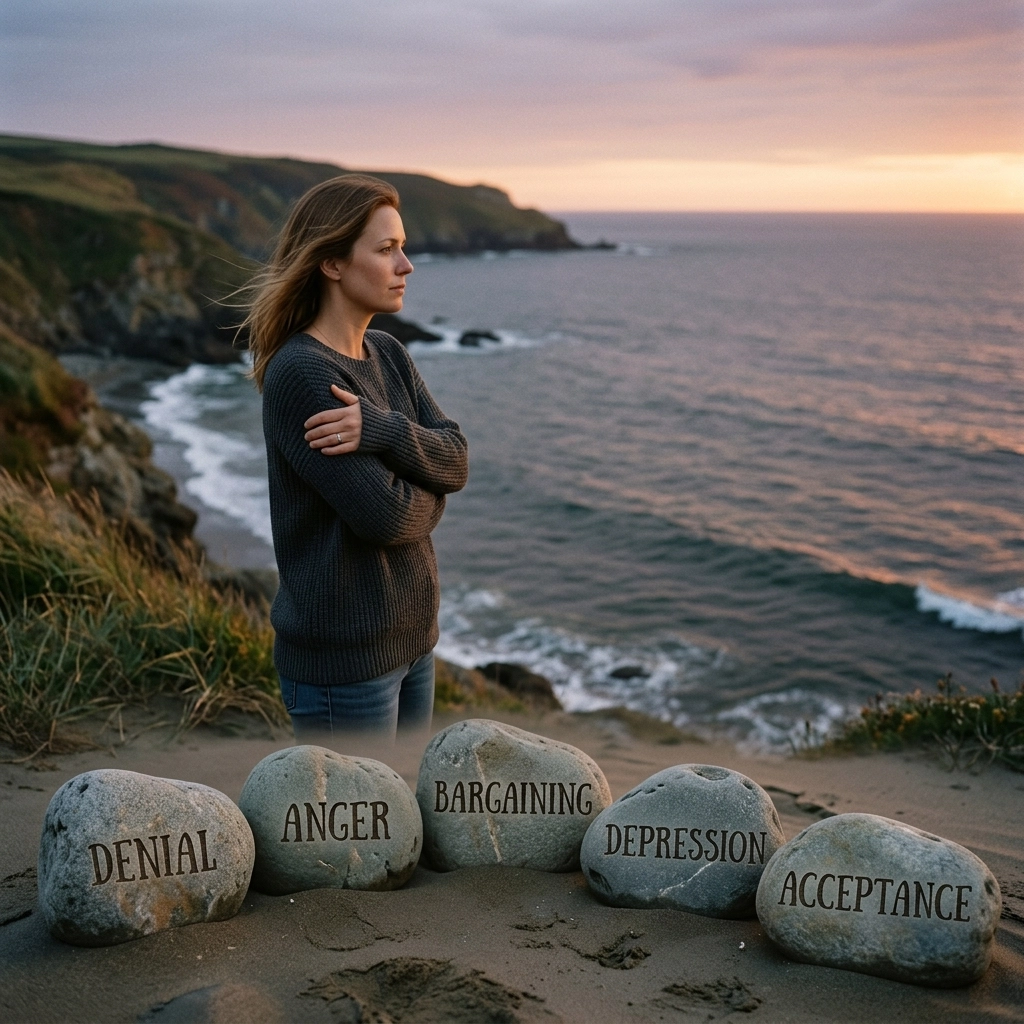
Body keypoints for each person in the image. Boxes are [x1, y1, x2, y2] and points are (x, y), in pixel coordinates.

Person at [243, 174, 468, 741]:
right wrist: (433, 492)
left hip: (415, 641)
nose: (406, 265)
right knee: (361, 829)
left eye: (404, 247)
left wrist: (383, 429)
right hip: (344, 666)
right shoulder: (302, 374)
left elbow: (457, 459)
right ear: (333, 263)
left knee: (406, 820)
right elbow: (387, 517)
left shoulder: (387, 352)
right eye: (386, 249)